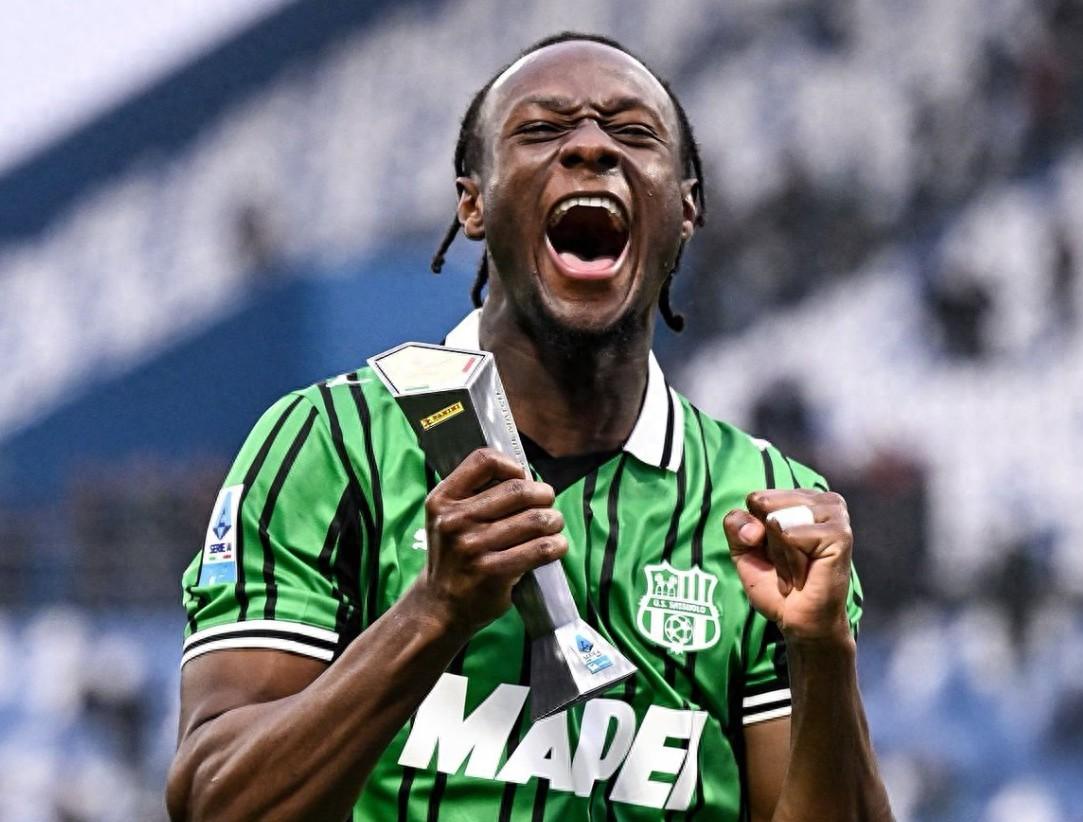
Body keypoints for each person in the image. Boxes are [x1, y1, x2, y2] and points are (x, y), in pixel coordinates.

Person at [166, 32, 893, 821]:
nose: (591, 147)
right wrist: (434, 612)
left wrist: (824, 651)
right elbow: (216, 803)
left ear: (686, 209)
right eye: (543, 129)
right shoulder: (331, 446)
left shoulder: (761, 506)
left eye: (634, 132)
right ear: (473, 203)